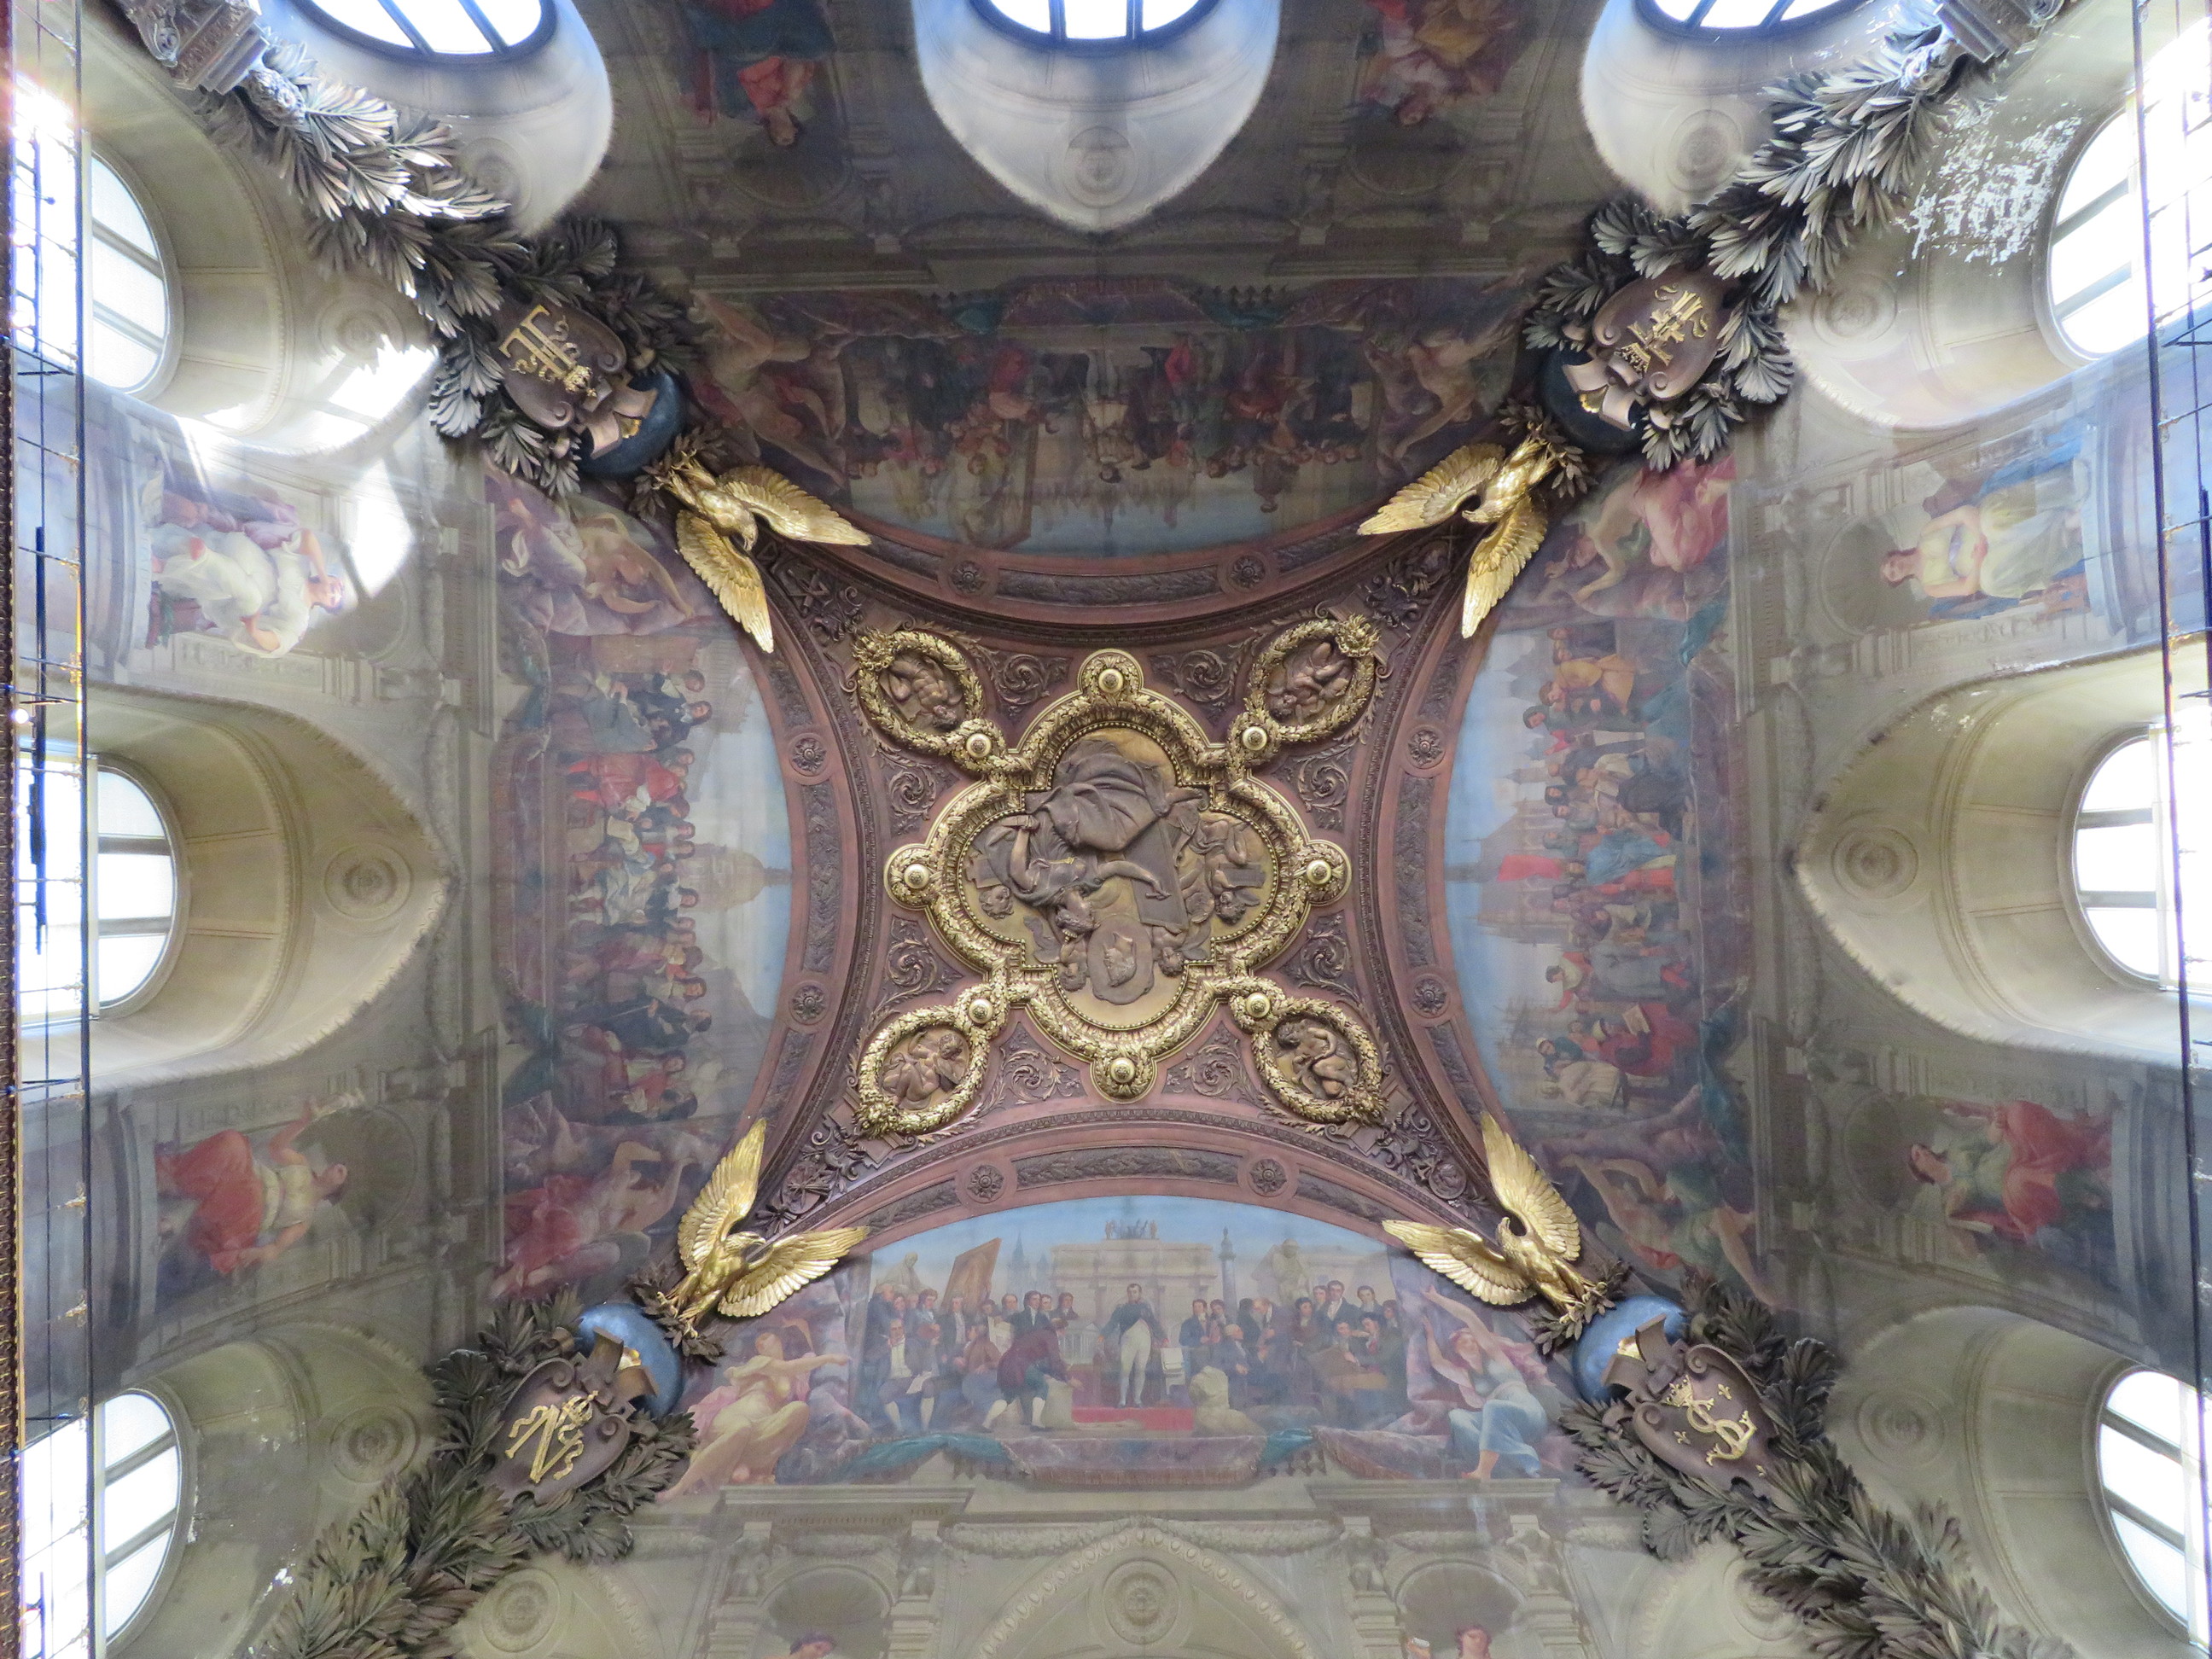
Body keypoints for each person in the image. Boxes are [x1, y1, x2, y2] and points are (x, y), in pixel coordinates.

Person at [156, 1103, 349, 1273]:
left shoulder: (304, 1220)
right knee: (233, 1142)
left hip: (251, 1215)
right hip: (251, 1178)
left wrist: (258, 1253)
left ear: (337, 1190)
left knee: (250, 1193)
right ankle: (176, 1183)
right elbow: (276, 1147)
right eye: (339, 1165)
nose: (337, 1167)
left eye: (342, 1173)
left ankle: (177, 1217)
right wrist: (303, 1122)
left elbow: (275, 1249)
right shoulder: (302, 1164)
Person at [665, 1329, 841, 1493]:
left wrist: (804, 1332)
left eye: (766, 1337)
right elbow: (789, 1367)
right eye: (758, 1341)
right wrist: (830, 1358)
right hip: (736, 1417)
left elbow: (801, 1363)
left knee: (800, 1410)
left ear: (782, 1341)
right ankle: (681, 1486)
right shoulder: (759, 1362)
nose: (761, 1343)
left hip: (761, 1427)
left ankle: (750, 1464)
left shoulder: (794, 1380)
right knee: (741, 1428)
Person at [1419, 1287, 1550, 1479]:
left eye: (1473, 1341)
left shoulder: (1497, 1357)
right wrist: (1430, 1335)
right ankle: (1509, 1463)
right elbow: (1438, 1363)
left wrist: (1438, 1298)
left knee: (1493, 1407)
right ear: (1457, 1351)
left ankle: (1485, 1471)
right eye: (1463, 1343)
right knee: (1458, 1417)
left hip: (1529, 1416)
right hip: (1498, 1423)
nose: (1470, 1344)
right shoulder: (1467, 1376)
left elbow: (1470, 1317)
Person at [992, 1314, 1069, 1430]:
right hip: (1020, 1365)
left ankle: (986, 1423)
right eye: (1064, 1330)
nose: (1065, 1333)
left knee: (1008, 1396)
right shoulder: (1050, 1336)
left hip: (1007, 1365)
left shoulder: (1037, 1334)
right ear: (1061, 1329)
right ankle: (1036, 1423)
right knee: (1042, 1386)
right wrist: (1067, 1378)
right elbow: (1054, 1361)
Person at [1103, 1283, 1164, 1408]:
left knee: (1141, 1370)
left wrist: (1164, 1338)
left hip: (1144, 1342)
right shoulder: (1121, 1309)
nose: (1132, 1294)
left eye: (1135, 1292)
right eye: (1130, 1292)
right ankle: (1122, 1401)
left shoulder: (1146, 1309)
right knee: (1125, 1370)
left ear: (1139, 1293)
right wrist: (1102, 1335)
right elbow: (1112, 1323)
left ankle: (1137, 1400)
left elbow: (1153, 1323)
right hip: (1128, 1341)